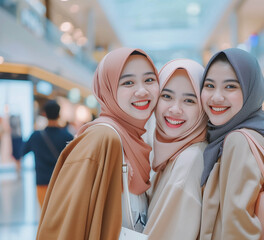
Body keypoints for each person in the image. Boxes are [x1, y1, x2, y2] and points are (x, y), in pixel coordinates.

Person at [36, 48, 160, 239]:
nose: (142, 90)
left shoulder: (134, 141)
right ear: (107, 89)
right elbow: (65, 227)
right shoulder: (102, 139)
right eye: (128, 82)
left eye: (149, 80)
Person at [199, 48, 264, 240]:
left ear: (250, 91)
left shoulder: (239, 141)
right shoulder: (247, 134)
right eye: (209, 85)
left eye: (230, 87)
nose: (217, 97)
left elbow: (239, 231)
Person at [143, 59, 208, 240]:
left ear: (203, 107)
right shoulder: (170, 153)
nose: (175, 109)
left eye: (189, 100)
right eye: (167, 96)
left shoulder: (188, 162)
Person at [22, 100, 73, 207]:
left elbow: (21, 152)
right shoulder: (67, 136)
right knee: (61, 216)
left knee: (45, 216)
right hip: (61, 183)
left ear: (44, 114)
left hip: (42, 183)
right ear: (59, 115)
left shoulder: (36, 136)